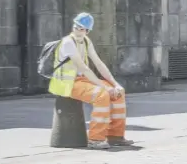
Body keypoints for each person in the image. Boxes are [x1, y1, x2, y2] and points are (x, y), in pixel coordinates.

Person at [48, 12, 133, 150]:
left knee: (118, 93)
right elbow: (84, 68)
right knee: (102, 95)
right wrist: (105, 88)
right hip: (67, 84)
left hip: (82, 80)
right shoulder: (68, 42)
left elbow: (99, 64)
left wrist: (115, 84)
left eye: (81, 28)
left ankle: (115, 136)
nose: (77, 30)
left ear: (87, 31)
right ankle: (95, 139)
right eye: (76, 26)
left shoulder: (86, 41)